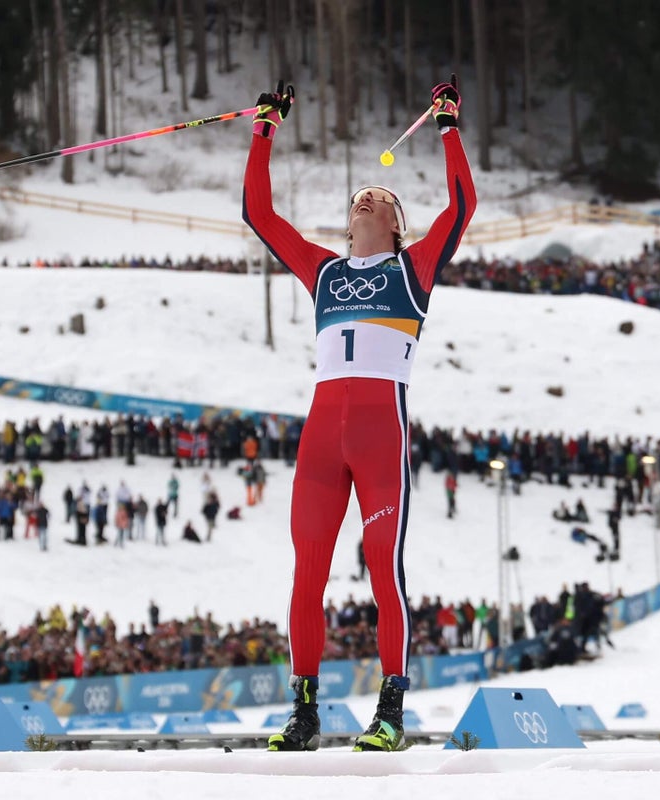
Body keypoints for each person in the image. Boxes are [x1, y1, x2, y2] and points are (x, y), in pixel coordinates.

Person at [244, 74, 475, 753]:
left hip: (379, 437)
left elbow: (462, 204)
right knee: (306, 576)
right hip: (322, 439)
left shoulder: (414, 270)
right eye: (360, 198)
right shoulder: (323, 272)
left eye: (383, 198)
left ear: (398, 225)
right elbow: (259, 214)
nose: (369, 197)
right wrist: (265, 129)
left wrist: (448, 125)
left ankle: (390, 712)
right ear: (349, 224)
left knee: (384, 573)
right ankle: (304, 713)